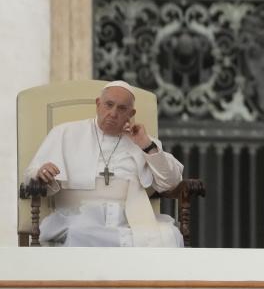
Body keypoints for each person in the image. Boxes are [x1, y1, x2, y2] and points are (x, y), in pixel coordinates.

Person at [24, 80, 184, 247]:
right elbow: (31, 174)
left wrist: (146, 145)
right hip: (80, 216)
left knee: (169, 235)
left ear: (131, 113)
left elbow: (171, 183)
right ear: (98, 104)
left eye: (122, 108)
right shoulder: (65, 133)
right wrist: (41, 173)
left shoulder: (144, 142)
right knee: (79, 233)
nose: (113, 113)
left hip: (129, 220)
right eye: (109, 105)